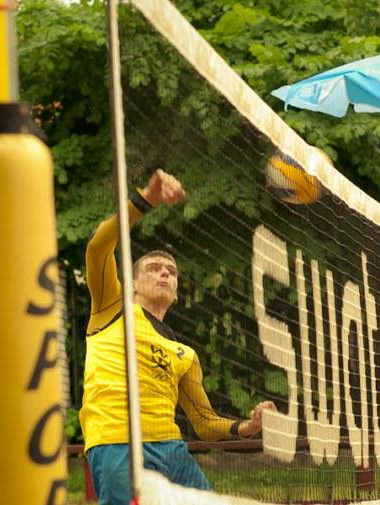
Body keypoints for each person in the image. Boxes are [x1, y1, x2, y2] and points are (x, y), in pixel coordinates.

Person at [79, 169, 275, 505]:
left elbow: (204, 422)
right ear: (132, 284)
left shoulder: (185, 354)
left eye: (171, 272)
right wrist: (146, 200)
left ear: (177, 291)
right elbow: (98, 247)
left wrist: (246, 426)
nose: (164, 274)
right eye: (154, 268)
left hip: (173, 451)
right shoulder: (112, 308)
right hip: (119, 442)